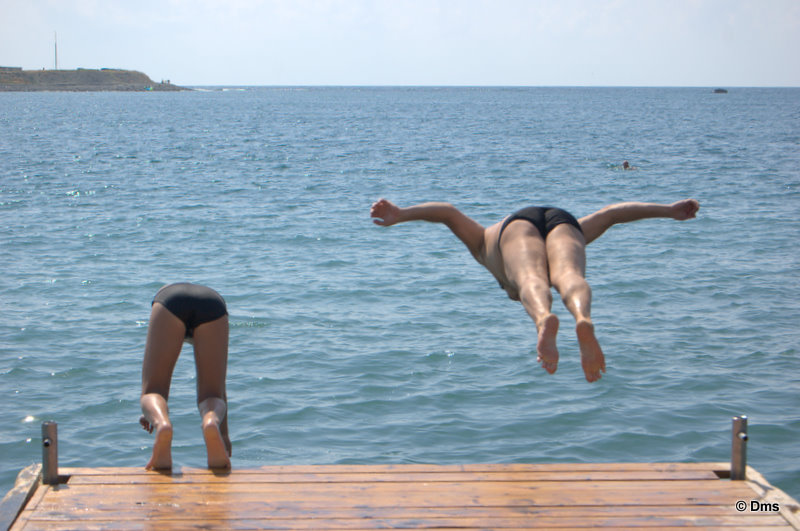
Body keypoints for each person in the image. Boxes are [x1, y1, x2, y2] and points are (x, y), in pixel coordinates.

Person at [370, 197, 699, 382]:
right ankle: (583, 318)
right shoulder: (482, 243)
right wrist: (668, 211)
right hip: (564, 220)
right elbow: (611, 215)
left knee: (529, 279)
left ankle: (543, 319)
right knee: (568, 274)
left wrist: (401, 215)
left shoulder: (484, 246)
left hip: (515, 226)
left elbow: (447, 213)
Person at [139, 282, 231, 470]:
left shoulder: (165, 294)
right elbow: (221, 390)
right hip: (213, 303)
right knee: (212, 393)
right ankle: (211, 422)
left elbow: (152, 392)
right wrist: (223, 435)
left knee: (153, 391)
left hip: (169, 299)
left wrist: (151, 414)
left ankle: (163, 424)